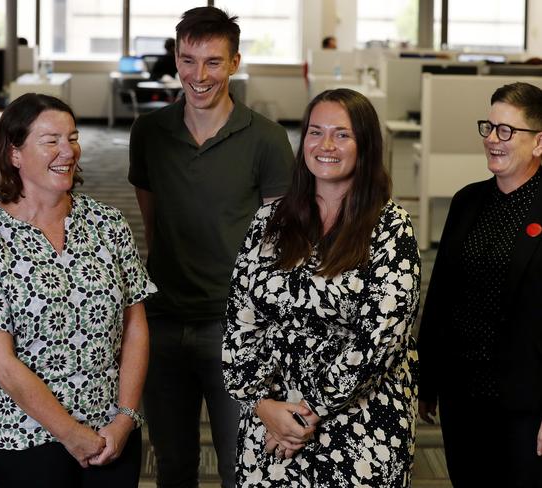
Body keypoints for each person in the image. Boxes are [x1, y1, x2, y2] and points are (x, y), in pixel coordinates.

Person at [128, 6, 294, 487]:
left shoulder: (265, 138)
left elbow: (279, 245)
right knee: (172, 465)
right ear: (176, 59)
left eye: (213, 62)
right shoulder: (149, 132)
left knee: (239, 466)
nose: (198, 76)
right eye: (188, 60)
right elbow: (152, 222)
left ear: (235, 62)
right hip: (161, 322)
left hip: (235, 327)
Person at [223, 88, 421, 487]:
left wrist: (306, 412)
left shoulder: (390, 227)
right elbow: (238, 320)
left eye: (342, 134)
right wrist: (262, 406)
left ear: (365, 146)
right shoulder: (270, 220)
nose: (326, 145)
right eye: (315, 132)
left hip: (360, 422)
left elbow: (379, 339)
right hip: (272, 416)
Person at [0, 93, 155, 488]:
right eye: (51, 140)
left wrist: (125, 417)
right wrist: (69, 433)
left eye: (73, 137)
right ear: (15, 154)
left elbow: (135, 327)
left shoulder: (108, 224)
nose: (68, 150)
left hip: (109, 432)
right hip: (23, 435)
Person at [418, 82, 542, 487]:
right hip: (463, 396)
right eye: (489, 127)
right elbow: (440, 298)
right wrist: (428, 380)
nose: (492, 139)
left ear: (539, 143)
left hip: (526, 402)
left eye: (506, 131)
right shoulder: (467, 201)